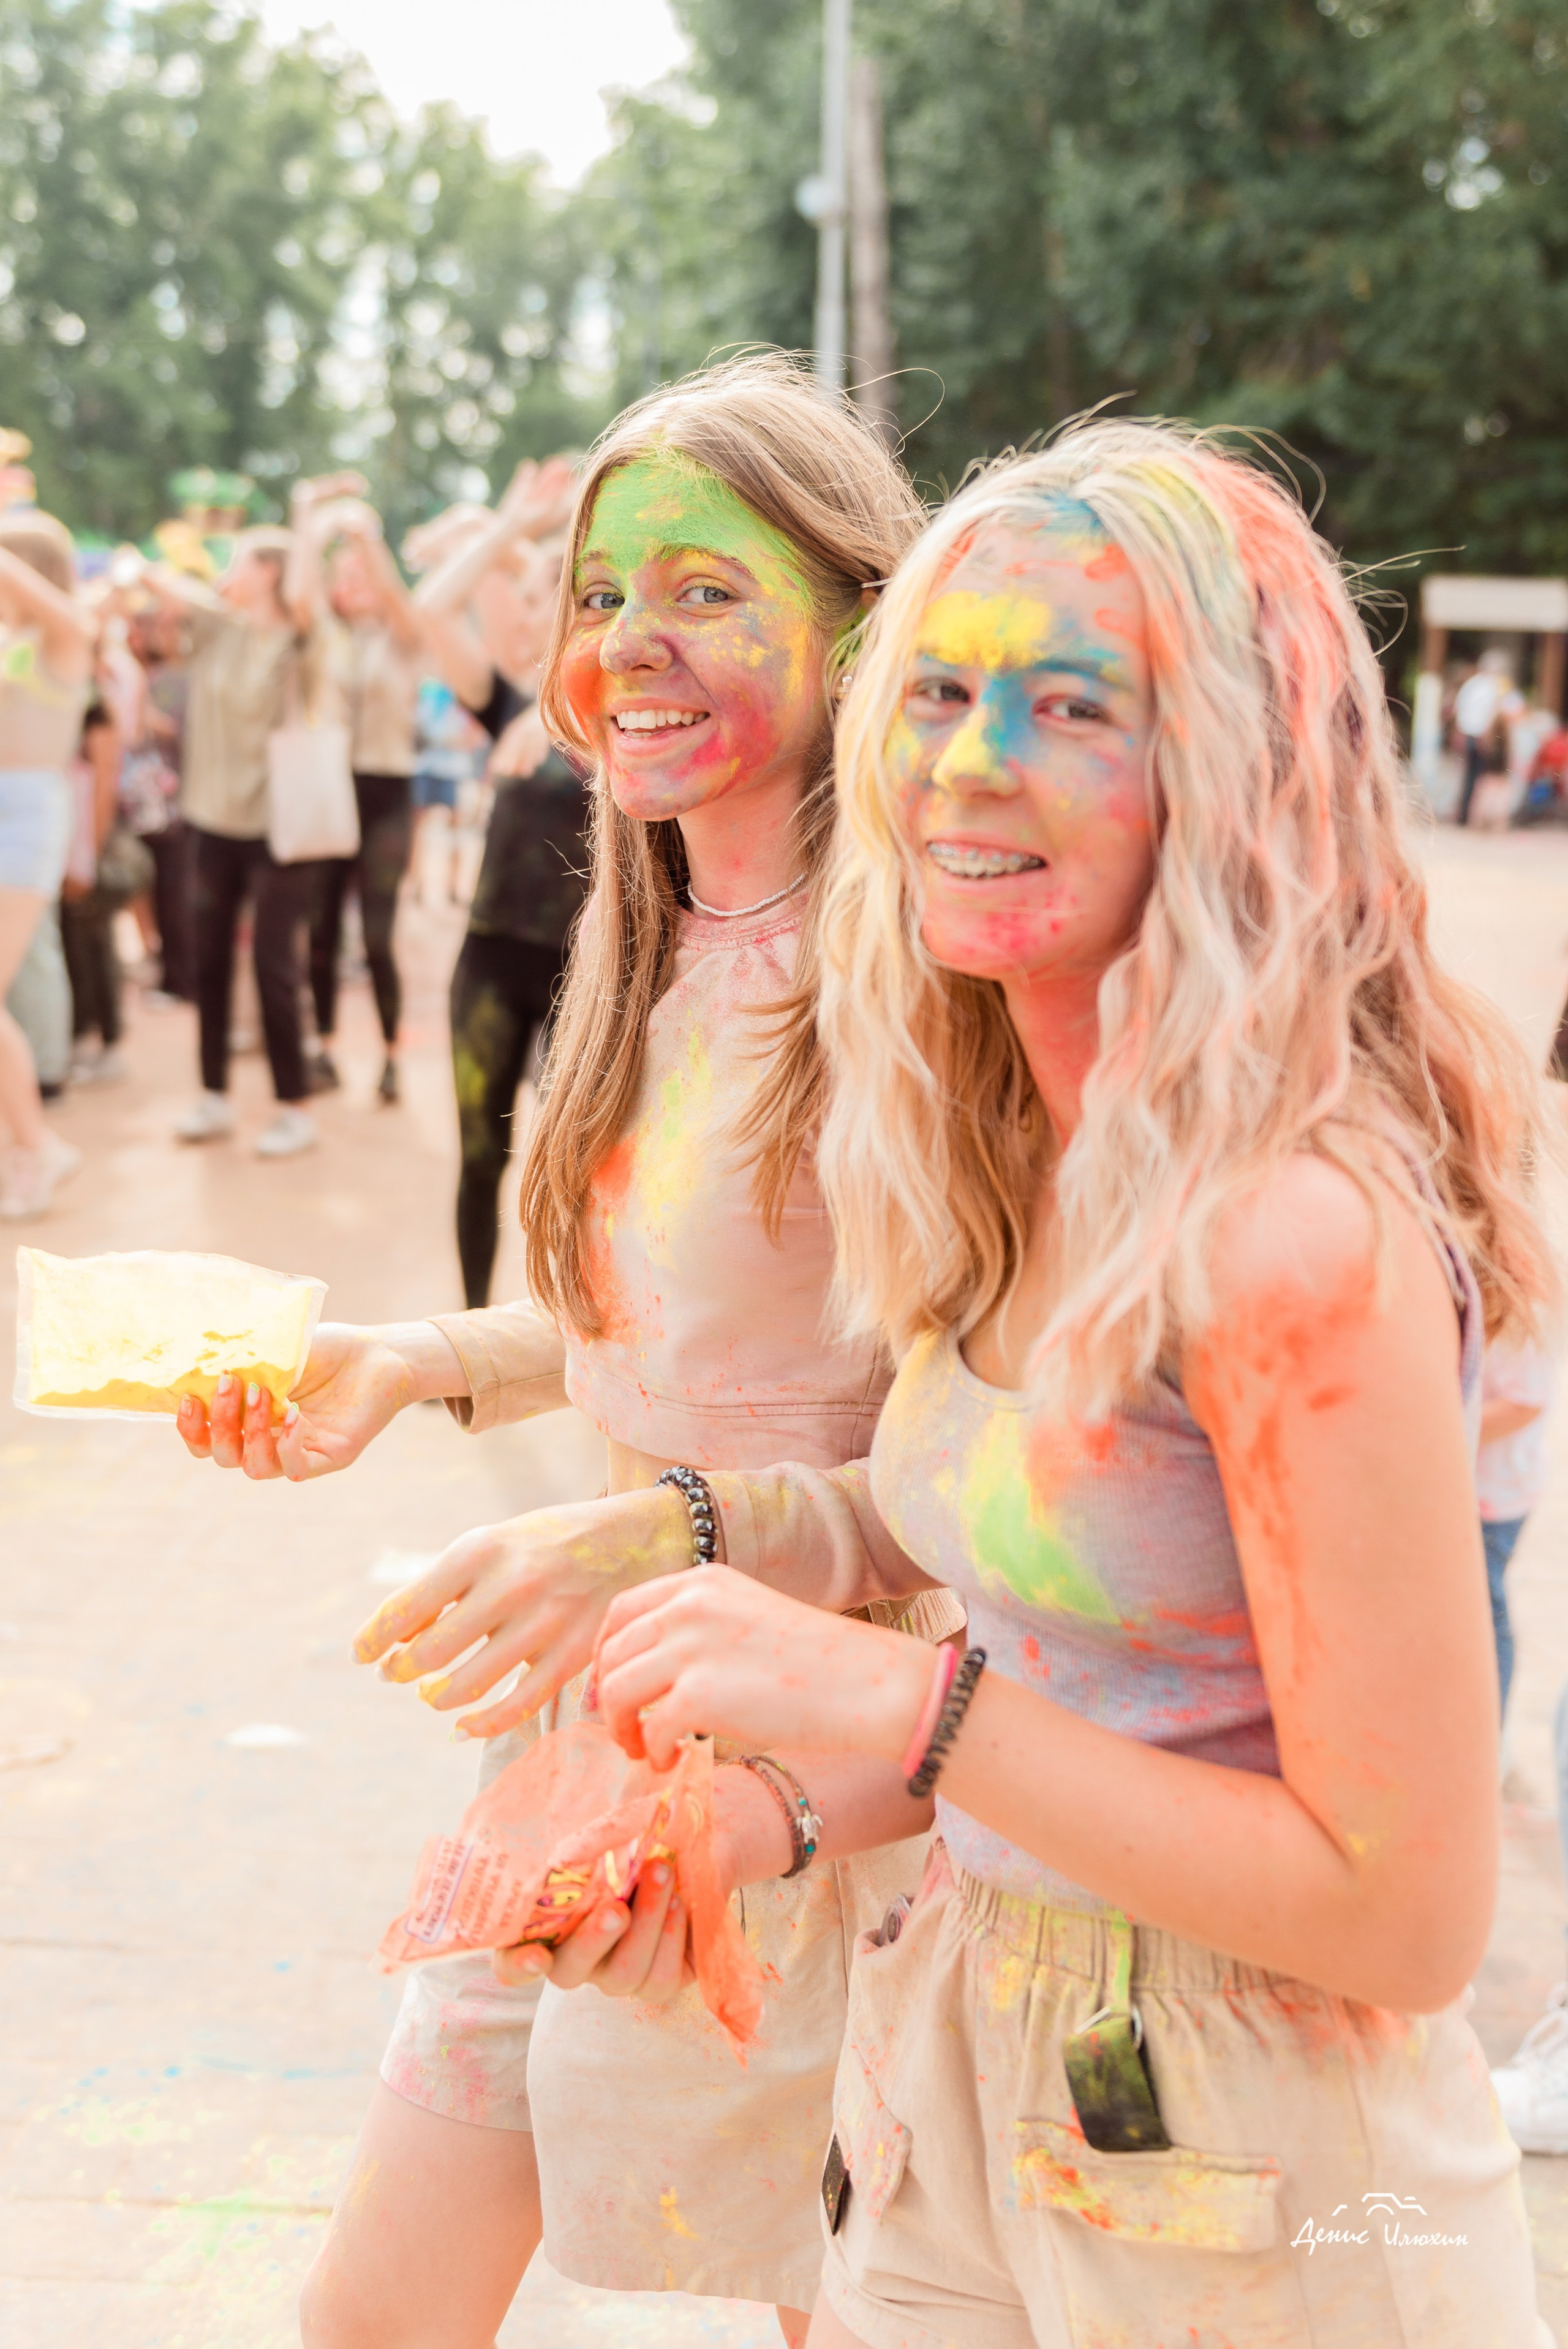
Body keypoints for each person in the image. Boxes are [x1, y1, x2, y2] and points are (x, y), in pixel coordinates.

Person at [583, 423, 1558, 2347]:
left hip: (1267, 2180)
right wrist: (754, 1823)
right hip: (966, 2085)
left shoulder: (1288, 1239)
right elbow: (1081, 1672)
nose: (966, 758)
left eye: (1064, 703)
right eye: (938, 690)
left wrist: (897, 1693)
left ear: (1223, 767)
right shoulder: (1003, 1147)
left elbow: (1409, 1916)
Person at [177, 358, 963, 2349]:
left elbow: (997, 1488)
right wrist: (409, 1358)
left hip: (853, 1778)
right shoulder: (651, 930)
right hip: (585, 1749)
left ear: (862, 615)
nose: (633, 641)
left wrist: (654, 1537)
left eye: (707, 585)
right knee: (371, 2318)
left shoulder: (934, 998)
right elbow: (664, 1333)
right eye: (605, 593)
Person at [412, 458, 591, 1303]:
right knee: (480, 1159)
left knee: (575, 1171)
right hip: (488, 961)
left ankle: (576, 1339)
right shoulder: (510, 701)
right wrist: (510, 529)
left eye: (551, 594)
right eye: (531, 597)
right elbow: (431, 605)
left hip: (585, 977)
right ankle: (468, 1331)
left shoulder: (634, 715)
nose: (531, 613)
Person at [139, 501, 345, 1158]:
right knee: (207, 959)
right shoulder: (220, 628)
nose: (230, 570)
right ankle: (214, 1096)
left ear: (269, 571)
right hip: (211, 823)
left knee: (271, 965)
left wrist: (307, 523)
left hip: (277, 829)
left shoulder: (300, 638)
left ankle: (294, 1106)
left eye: (241, 560)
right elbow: (165, 588)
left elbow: (307, 595)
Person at [292, 486, 423, 1104]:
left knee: (376, 933)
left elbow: (397, 597)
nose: (354, 580)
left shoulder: (402, 635)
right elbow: (301, 596)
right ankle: (324, 1045)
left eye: (361, 571)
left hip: (387, 790)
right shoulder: (326, 637)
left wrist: (363, 535)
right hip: (329, 789)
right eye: (342, 574)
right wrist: (310, 520)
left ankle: (392, 1056)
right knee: (319, 927)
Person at [0, 509, 92, 1216]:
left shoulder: (65, 636)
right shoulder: (19, 641)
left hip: (25, 818)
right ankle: (27, 1144)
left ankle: (38, 1145)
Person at [59, 696, 129, 1084]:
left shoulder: (97, 710)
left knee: (94, 942)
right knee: (73, 943)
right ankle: (79, 1036)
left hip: (86, 848)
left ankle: (108, 1039)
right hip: (65, 846)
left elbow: (106, 782)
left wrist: (89, 854)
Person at [1455, 648, 1518, 826]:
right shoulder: (1493, 687)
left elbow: (1460, 711)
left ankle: (1465, 815)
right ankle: (1479, 818)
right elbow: (1494, 714)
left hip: (1469, 735)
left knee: (1469, 776)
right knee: (1484, 778)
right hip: (1484, 737)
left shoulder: (1471, 685)